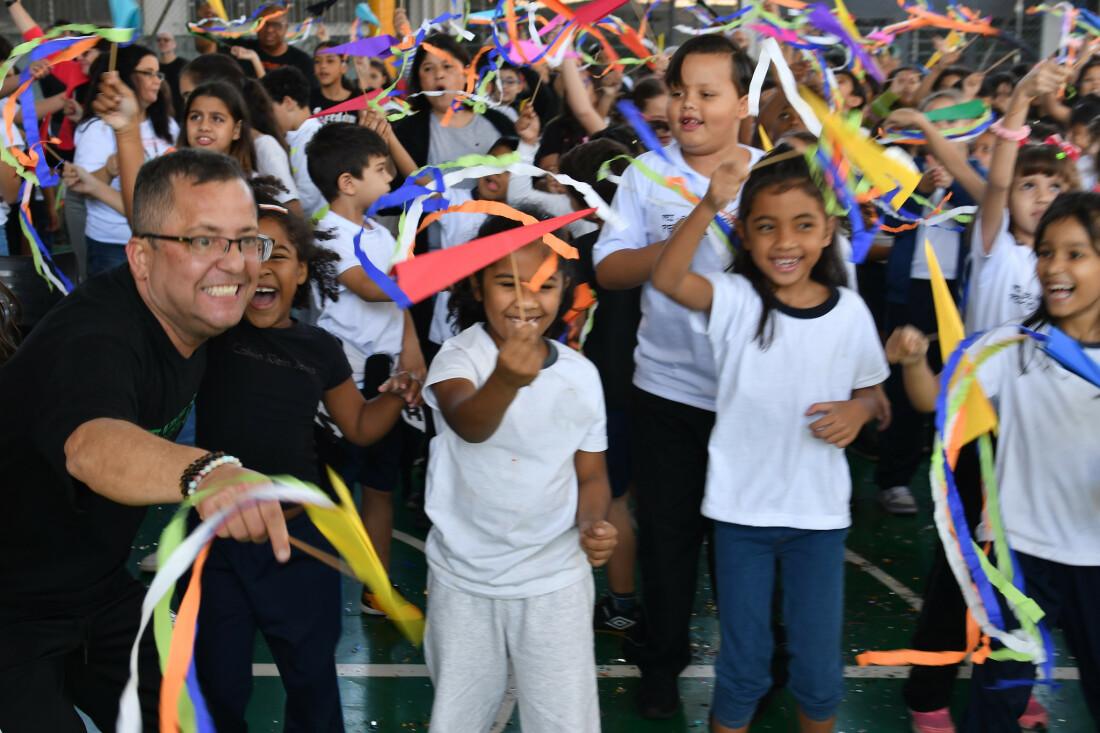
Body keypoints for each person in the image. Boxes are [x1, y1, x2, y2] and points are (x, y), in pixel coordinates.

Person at [0, 145, 291, 732]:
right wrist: (207, 472)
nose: (236, 264)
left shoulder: (196, 317)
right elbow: (92, 446)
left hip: (95, 584)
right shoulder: (96, 337)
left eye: (246, 241)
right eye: (204, 241)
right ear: (140, 256)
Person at [651, 145, 888, 733]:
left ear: (828, 231)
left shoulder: (851, 312)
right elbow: (667, 278)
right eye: (767, 227)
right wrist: (711, 202)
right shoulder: (735, 300)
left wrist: (859, 411)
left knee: (818, 673)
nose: (786, 242)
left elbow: (874, 395)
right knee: (743, 669)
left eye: (804, 225)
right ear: (745, 235)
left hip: (818, 520)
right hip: (741, 519)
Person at [187, 182, 415, 732]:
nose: (263, 266)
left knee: (312, 685)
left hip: (300, 541)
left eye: (279, 254)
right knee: (218, 685)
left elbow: (358, 426)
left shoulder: (321, 348)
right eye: (250, 250)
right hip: (219, 540)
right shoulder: (209, 333)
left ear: (303, 272)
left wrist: (395, 395)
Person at [591, 33, 764, 718]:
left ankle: (760, 665)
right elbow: (609, 269)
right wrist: (696, 220)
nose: (688, 106)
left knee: (747, 544)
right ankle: (661, 665)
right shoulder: (646, 175)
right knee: (667, 540)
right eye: (679, 91)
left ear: (743, 103)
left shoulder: (776, 174)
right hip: (666, 390)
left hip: (754, 395)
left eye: (708, 93)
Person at [896, 62, 1072, 733]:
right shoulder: (999, 250)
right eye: (1028, 184)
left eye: (1053, 186)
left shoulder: (1075, 266)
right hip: (980, 431)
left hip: (1043, 435)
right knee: (963, 568)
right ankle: (928, 692)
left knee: (1029, 569)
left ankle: (1011, 678)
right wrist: (1020, 99)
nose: (1039, 195)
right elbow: (994, 180)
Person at [884, 191, 1100, 732]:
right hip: (1017, 556)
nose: (1054, 266)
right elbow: (933, 400)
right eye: (1046, 252)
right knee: (998, 696)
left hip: (1095, 557)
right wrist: (914, 362)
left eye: (1076, 254)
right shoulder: (1012, 345)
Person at [422, 213, 617, 732]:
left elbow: (591, 474)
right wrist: (506, 381)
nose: (526, 300)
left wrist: (592, 523)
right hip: (464, 580)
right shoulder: (458, 358)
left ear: (565, 290)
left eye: (545, 285)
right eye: (507, 282)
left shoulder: (582, 375)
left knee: (564, 721)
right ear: (477, 285)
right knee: (458, 719)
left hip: (555, 581)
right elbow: (469, 423)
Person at [306, 122, 428, 613]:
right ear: (347, 182)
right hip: (345, 385)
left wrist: (412, 351)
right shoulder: (326, 232)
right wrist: (439, 269)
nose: (390, 177)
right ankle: (309, 589)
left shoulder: (380, 231)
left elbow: (399, 305)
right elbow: (374, 288)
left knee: (380, 488)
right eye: (380, 169)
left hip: (389, 379)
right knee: (331, 492)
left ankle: (377, 590)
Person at [874, 89, 987, 515]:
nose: (942, 132)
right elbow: (888, 219)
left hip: (959, 295)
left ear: (968, 130)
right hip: (911, 293)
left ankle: (955, 480)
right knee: (904, 387)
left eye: (951, 122)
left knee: (954, 386)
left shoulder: (978, 177)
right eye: (933, 123)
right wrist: (918, 190)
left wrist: (954, 184)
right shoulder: (909, 171)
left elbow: (984, 211)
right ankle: (894, 479)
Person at [558, 138, 643, 635]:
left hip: (600, 390)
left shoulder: (581, 252)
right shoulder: (650, 247)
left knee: (609, 500)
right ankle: (641, 601)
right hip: (651, 386)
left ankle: (622, 601)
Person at [70, 45, 178, 276]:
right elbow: (82, 187)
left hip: (160, 238)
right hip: (113, 243)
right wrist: (110, 169)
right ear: (126, 77)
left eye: (158, 74)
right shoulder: (98, 127)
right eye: (147, 73)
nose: (156, 81)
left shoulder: (168, 125)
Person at [262, 66, 327, 217]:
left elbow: (308, 198)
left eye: (270, 111)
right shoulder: (296, 136)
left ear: (288, 102)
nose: (268, 119)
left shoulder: (313, 137)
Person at [220, 4, 315, 84]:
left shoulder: (303, 62)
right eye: (264, 24)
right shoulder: (241, 49)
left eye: (276, 25)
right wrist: (211, 18)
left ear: (286, 28)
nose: (269, 29)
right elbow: (212, 47)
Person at [311, 41, 357, 124]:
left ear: (344, 67)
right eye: (317, 61)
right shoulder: (306, 100)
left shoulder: (359, 100)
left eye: (330, 61)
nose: (323, 66)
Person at [157, 31, 188, 118]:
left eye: (166, 40)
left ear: (174, 44)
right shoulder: (155, 66)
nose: (162, 42)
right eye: (159, 40)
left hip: (180, 112)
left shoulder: (184, 65)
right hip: (160, 112)